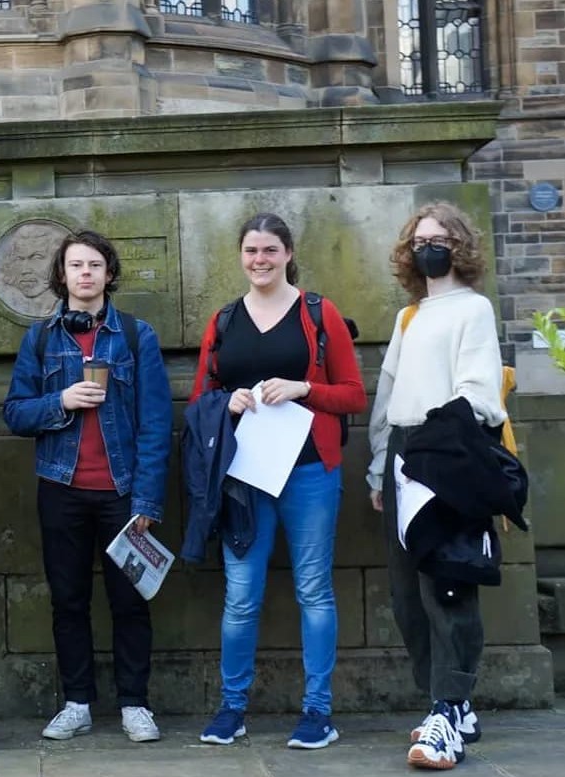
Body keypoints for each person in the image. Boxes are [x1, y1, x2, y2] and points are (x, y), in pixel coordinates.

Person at [188, 213, 365, 750]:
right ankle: (232, 707)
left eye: (269, 250)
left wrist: (303, 388)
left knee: (314, 590)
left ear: (288, 253)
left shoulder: (318, 312)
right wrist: (227, 402)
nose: (259, 260)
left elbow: (354, 394)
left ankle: (318, 712)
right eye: (251, 251)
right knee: (241, 594)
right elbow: (199, 400)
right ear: (240, 256)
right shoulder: (223, 320)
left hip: (310, 470)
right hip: (245, 475)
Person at [2, 231, 173, 744]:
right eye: (76, 265)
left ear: (108, 273)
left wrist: (146, 498)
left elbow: (156, 423)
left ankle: (134, 704)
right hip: (61, 488)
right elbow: (14, 412)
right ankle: (76, 702)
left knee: (130, 601)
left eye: (94, 265)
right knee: (68, 600)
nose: (85, 273)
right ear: (62, 274)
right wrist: (61, 401)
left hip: (121, 490)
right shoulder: (40, 338)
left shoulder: (137, 336)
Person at [367, 202, 504, 770]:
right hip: (403, 453)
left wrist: (445, 439)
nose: (428, 249)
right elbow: (387, 394)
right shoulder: (409, 317)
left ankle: (448, 708)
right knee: (407, 593)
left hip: (448, 449)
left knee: (447, 584)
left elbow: (480, 392)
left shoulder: (474, 309)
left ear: (459, 246)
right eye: (420, 240)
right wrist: (380, 464)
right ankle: (446, 702)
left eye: (439, 240)